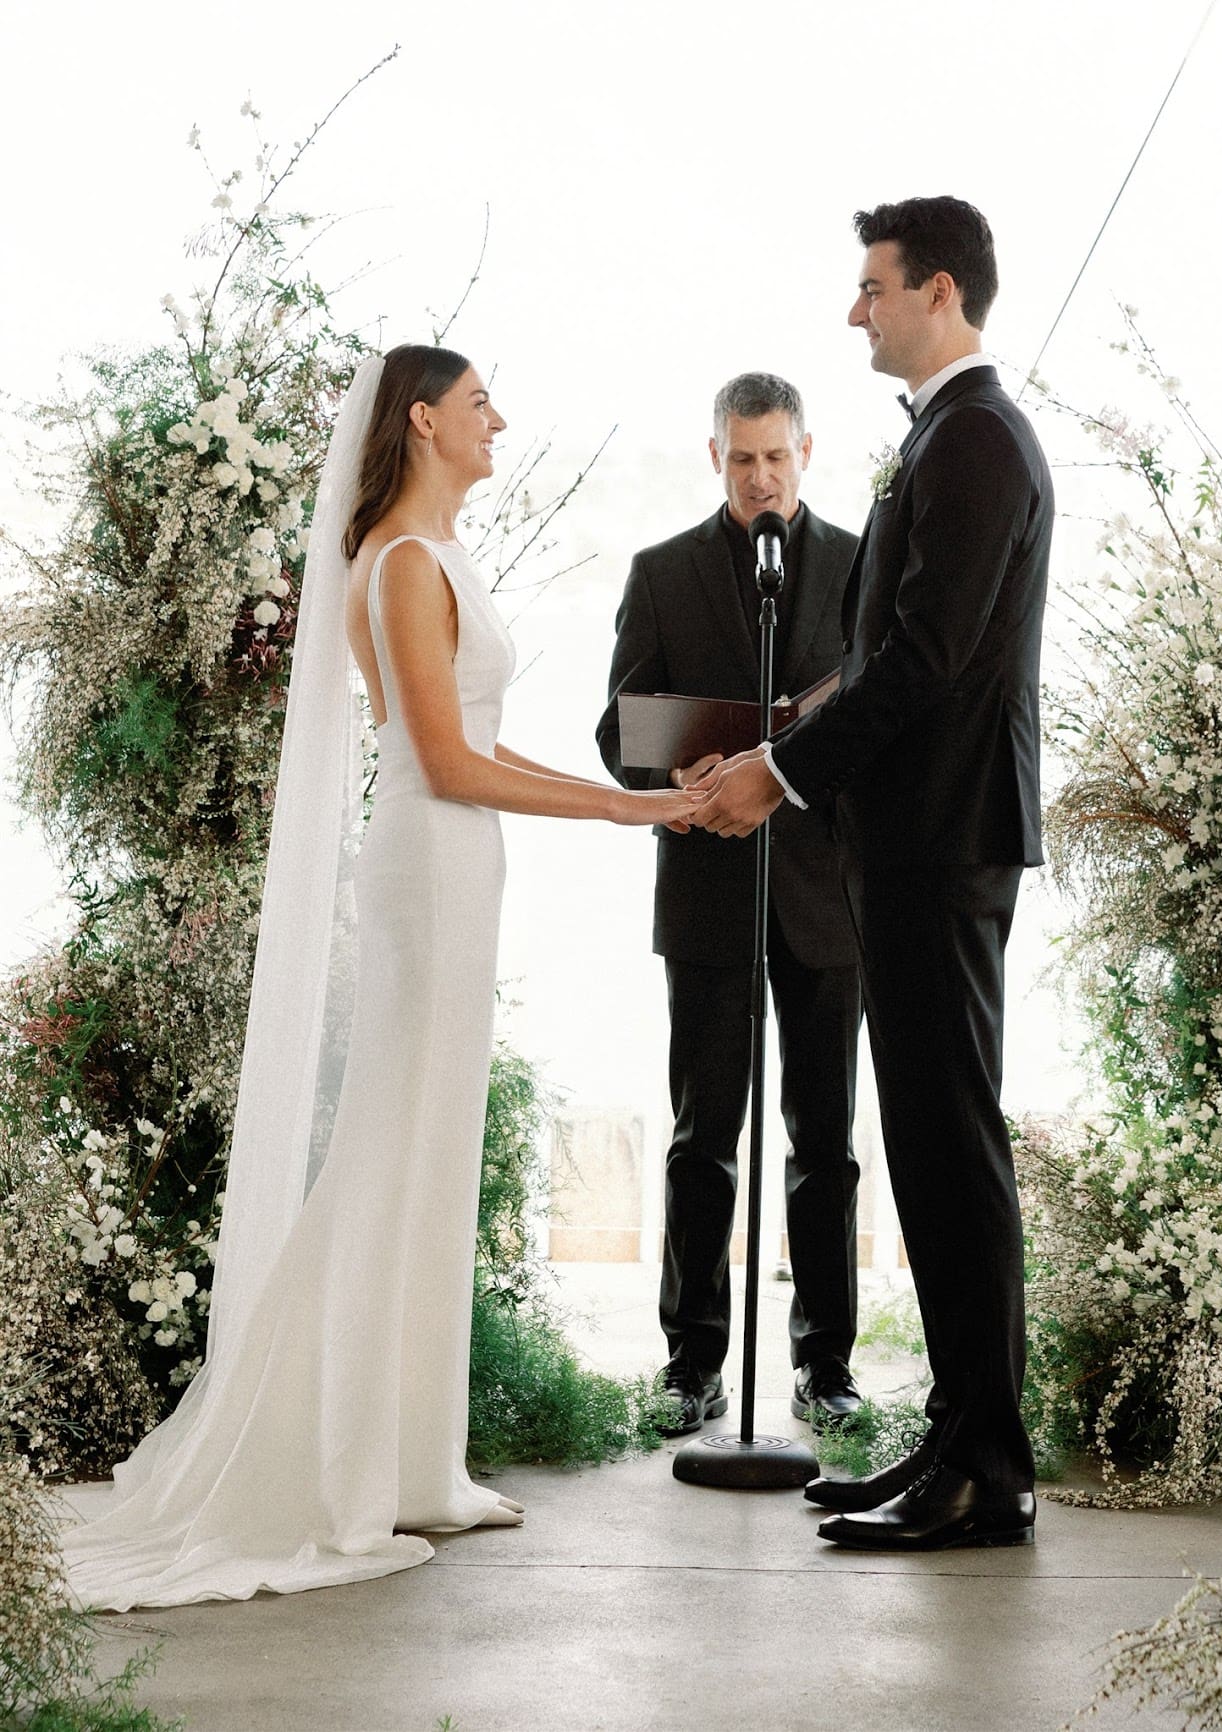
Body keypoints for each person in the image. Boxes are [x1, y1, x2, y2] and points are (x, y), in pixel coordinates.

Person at [61, 345, 697, 1610]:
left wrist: (635, 796)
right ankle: (343, 1465)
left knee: (429, 1155)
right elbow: (448, 764)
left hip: (463, 866)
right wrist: (636, 816)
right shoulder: (402, 563)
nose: (498, 420)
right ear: (420, 420)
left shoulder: (436, 554)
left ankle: (415, 1461)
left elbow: (476, 739)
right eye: (477, 405)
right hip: (431, 863)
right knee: (388, 1150)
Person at [692, 199, 1053, 1551]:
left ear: (938, 292)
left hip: (945, 836)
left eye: (872, 287)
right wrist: (794, 733)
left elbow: (930, 661)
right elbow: (901, 649)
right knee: (928, 1143)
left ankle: (991, 1468)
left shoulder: (972, 439)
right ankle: (959, 1437)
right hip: (918, 834)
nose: (856, 310)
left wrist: (781, 778)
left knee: (953, 1147)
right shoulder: (951, 437)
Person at [597, 373, 864, 1435]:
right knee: (703, 1131)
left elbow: (892, 723)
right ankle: (690, 1363)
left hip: (825, 892)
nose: (760, 477)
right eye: (741, 458)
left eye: (777, 458)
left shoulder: (860, 566)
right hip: (707, 879)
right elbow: (617, 738)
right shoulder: (660, 574)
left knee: (825, 1138)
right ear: (713, 457)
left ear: (807, 452)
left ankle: (827, 1366)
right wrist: (688, 770)